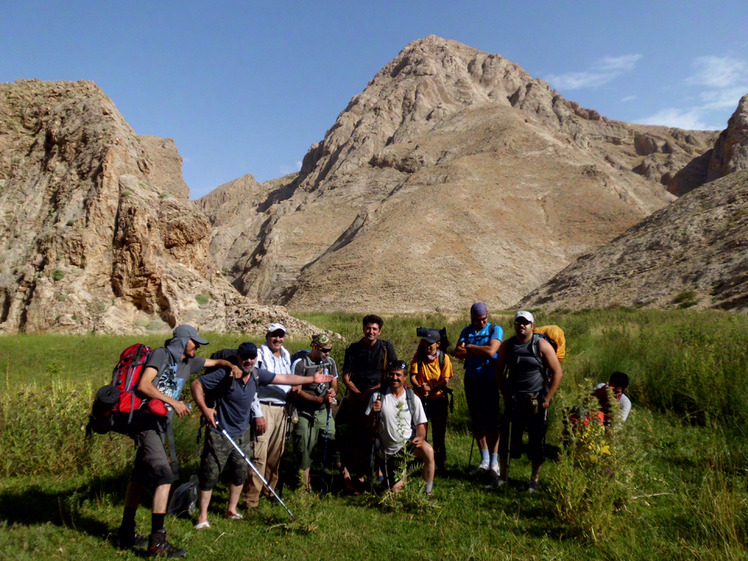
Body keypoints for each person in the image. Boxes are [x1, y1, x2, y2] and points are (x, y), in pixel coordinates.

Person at [116, 325, 241, 558]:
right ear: (184, 341)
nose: (198, 347)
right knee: (164, 476)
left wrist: (229, 364)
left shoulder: (189, 362)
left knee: (139, 476)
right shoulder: (161, 355)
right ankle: (157, 541)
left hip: (160, 426)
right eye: (195, 343)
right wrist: (173, 402)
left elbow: (212, 363)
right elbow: (144, 385)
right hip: (146, 422)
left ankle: (126, 533)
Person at [191, 342, 333, 528]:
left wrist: (312, 380)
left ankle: (231, 510)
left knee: (240, 473)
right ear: (238, 357)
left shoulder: (257, 374)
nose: (248, 361)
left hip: (242, 432)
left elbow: (283, 378)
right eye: (244, 357)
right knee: (211, 473)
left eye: (252, 357)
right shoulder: (227, 374)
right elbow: (196, 384)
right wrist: (205, 409)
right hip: (220, 431)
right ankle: (202, 517)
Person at [494, 311, 563, 493]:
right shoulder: (508, 345)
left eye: (525, 323)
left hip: (536, 400)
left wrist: (547, 399)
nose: (521, 325)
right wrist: (504, 392)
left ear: (533, 325)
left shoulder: (541, 344)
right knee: (507, 439)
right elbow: (498, 370)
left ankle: (534, 480)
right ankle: (503, 477)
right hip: (514, 399)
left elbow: (557, 372)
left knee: (536, 440)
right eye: (518, 322)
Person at [339, 314, 398, 489]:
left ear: (379, 331)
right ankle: (359, 475)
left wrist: (373, 392)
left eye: (374, 329)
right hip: (358, 397)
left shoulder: (386, 347)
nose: (370, 331)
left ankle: (380, 473)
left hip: (379, 395)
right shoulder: (353, 349)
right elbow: (346, 376)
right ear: (363, 329)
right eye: (368, 328)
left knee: (379, 434)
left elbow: (393, 373)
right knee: (357, 434)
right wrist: (358, 393)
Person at [289, 333, 348, 491]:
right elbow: (296, 390)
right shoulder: (301, 364)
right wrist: (319, 400)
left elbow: (334, 382)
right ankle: (305, 484)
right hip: (304, 411)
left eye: (330, 350)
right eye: (325, 350)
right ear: (315, 347)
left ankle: (346, 479)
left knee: (333, 441)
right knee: (303, 445)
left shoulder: (330, 362)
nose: (328, 353)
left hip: (324, 412)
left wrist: (332, 392)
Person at [367, 360, 435, 494]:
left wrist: (421, 437)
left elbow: (421, 424)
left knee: (428, 450)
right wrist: (373, 414)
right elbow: (368, 427)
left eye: (398, 375)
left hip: (408, 446)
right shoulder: (378, 397)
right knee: (395, 491)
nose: (395, 378)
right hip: (388, 452)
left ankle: (428, 491)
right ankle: (397, 478)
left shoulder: (412, 398)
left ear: (404, 377)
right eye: (392, 374)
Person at [244, 323, 293, 509]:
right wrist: (257, 414)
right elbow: (253, 385)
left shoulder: (286, 355)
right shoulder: (260, 354)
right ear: (267, 336)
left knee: (276, 454)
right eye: (274, 335)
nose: (278, 339)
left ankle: (269, 491)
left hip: (282, 409)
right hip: (264, 407)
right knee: (259, 454)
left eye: (281, 336)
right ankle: (251, 500)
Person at [454, 302, 503, 477]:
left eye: (483, 319)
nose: (481, 323)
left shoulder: (495, 330)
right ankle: (484, 460)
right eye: (477, 320)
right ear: (472, 318)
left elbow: (491, 351)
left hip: (490, 380)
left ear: (487, 316)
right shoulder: (467, 331)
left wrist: (471, 347)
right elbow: (457, 352)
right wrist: (475, 350)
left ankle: (494, 462)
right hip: (472, 380)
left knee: (492, 421)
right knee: (477, 420)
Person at [409, 329, 453, 472]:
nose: (427, 346)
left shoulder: (444, 358)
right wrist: (421, 388)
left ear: (438, 344)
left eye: (430, 344)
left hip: (438, 399)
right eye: (425, 343)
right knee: (420, 432)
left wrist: (432, 388)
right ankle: (421, 462)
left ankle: (440, 463)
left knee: (439, 433)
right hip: (421, 400)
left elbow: (445, 380)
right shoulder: (419, 356)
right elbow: (413, 376)